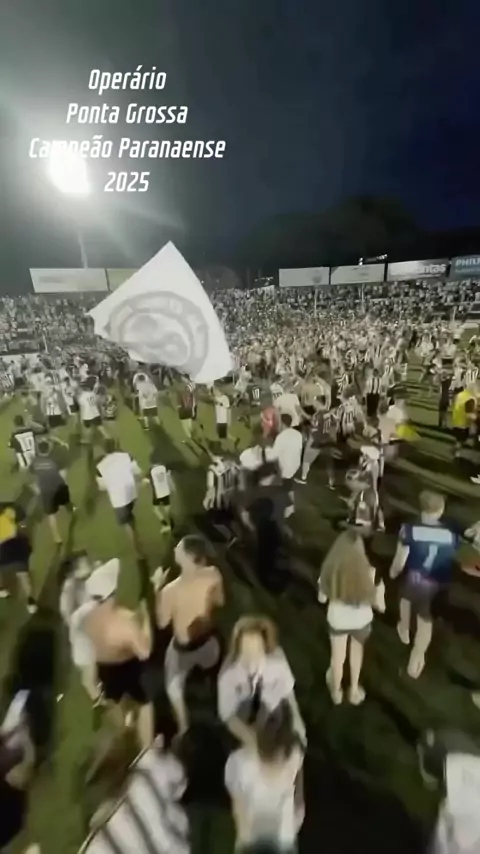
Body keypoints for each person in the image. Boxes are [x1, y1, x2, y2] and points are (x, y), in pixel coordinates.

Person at [81, 559, 155, 750]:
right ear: (112, 593)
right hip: (128, 666)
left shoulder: (88, 619)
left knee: (114, 699)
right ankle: (146, 747)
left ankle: (123, 726)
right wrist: (146, 619)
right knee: (145, 702)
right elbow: (145, 651)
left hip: (104, 667)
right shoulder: (125, 622)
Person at [154, 535, 224, 737]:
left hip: (183, 651)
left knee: (173, 688)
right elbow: (220, 601)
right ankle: (215, 695)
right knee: (212, 670)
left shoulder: (170, 590)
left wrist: (157, 587)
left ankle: (184, 729)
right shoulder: (214, 574)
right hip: (209, 643)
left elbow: (162, 623)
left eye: (179, 548)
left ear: (189, 558)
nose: (175, 549)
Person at [390, 490, 458, 679]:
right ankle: (417, 655)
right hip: (437, 582)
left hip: (415, 579)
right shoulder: (451, 534)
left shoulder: (409, 530)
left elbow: (400, 560)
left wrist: (393, 572)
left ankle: (404, 628)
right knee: (425, 620)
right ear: (441, 510)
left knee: (405, 599)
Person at [225, 701, 304, 853]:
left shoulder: (239, 762)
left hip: (251, 842)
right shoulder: (294, 757)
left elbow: (239, 812)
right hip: (283, 841)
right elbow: (299, 809)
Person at [218, 616, 305, 748]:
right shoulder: (228, 676)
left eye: (256, 648)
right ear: (238, 647)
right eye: (246, 648)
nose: (251, 654)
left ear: (265, 646)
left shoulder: (278, 665)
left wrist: (298, 737)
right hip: (243, 730)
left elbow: (290, 701)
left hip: (276, 722)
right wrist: (253, 743)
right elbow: (229, 716)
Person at [318, 530, 379, 705]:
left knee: (337, 658)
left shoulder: (329, 571)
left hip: (338, 620)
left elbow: (321, 598)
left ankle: (336, 692)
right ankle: (353, 690)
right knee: (356, 654)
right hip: (362, 621)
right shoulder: (370, 571)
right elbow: (372, 598)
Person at [96, 439, 142, 550]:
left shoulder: (100, 466)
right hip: (132, 494)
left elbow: (102, 487)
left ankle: (138, 551)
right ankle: (134, 531)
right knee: (130, 516)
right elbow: (138, 472)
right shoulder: (126, 456)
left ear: (104, 450)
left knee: (127, 523)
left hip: (118, 500)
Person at [30, 439, 73, 545]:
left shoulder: (35, 461)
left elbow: (32, 472)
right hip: (58, 486)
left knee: (51, 515)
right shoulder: (54, 461)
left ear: (38, 450)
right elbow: (63, 472)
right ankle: (71, 510)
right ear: (48, 449)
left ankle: (56, 537)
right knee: (65, 500)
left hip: (46, 491)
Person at [0, 500, 36, 612]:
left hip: (8, 550)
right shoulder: (10, 509)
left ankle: (1, 589)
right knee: (23, 575)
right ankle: (30, 602)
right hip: (15, 549)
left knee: (21, 575)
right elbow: (22, 527)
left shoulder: (10, 509)